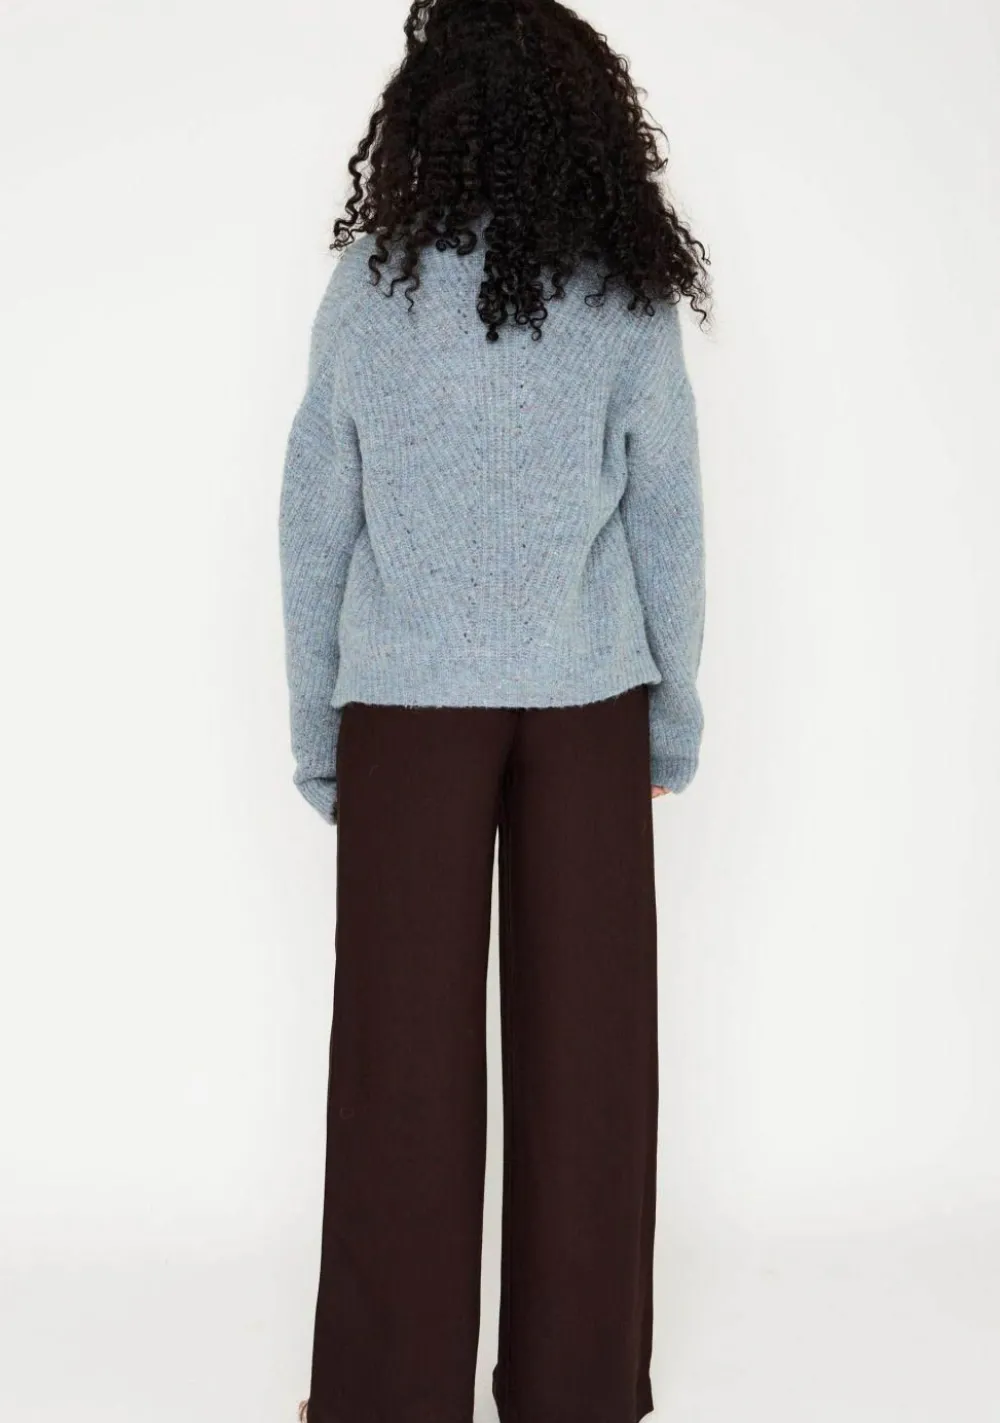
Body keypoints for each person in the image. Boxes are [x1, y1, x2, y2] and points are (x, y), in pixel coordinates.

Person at [278, 1, 710, 1419]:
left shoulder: (371, 283)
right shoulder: (622, 286)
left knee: (398, 1062)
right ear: (584, 119)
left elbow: (315, 516)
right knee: (594, 1058)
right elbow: (668, 516)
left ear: (429, 115)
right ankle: (578, 1387)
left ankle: (387, 1393)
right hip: (588, 700)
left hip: (407, 707)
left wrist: (316, 726)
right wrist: (673, 717)